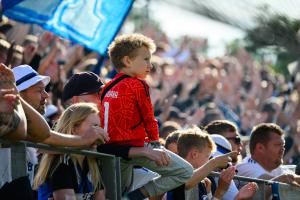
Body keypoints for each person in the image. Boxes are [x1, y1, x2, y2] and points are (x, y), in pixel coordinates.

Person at [100, 33, 193, 199]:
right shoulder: (137, 84)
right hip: (135, 146)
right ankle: (137, 196)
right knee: (185, 171)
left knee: (114, 196)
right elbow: (149, 118)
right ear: (127, 61)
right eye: (146, 60)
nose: (150, 65)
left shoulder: (107, 86)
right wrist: (155, 145)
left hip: (112, 150)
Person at [34, 103, 106, 200]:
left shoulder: (91, 161)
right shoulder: (61, 161)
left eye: (100, 127)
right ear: (74, 128)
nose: (100, 132)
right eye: (94, 127)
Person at [168, 126, 258, 200]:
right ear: (194, 154)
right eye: (207, 156)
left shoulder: (206, 181)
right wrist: (214, 163)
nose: (209, 160)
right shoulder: (176, 175)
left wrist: (238, 198)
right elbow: (186, 182)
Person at [236, 123, 300, 198]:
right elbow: (264, 181)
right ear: (260, 148)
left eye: (283, 145)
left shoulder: (274, 167)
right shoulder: (244, 167)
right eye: (277, 145)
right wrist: (282, 179)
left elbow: (293, 179)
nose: (283, 149)